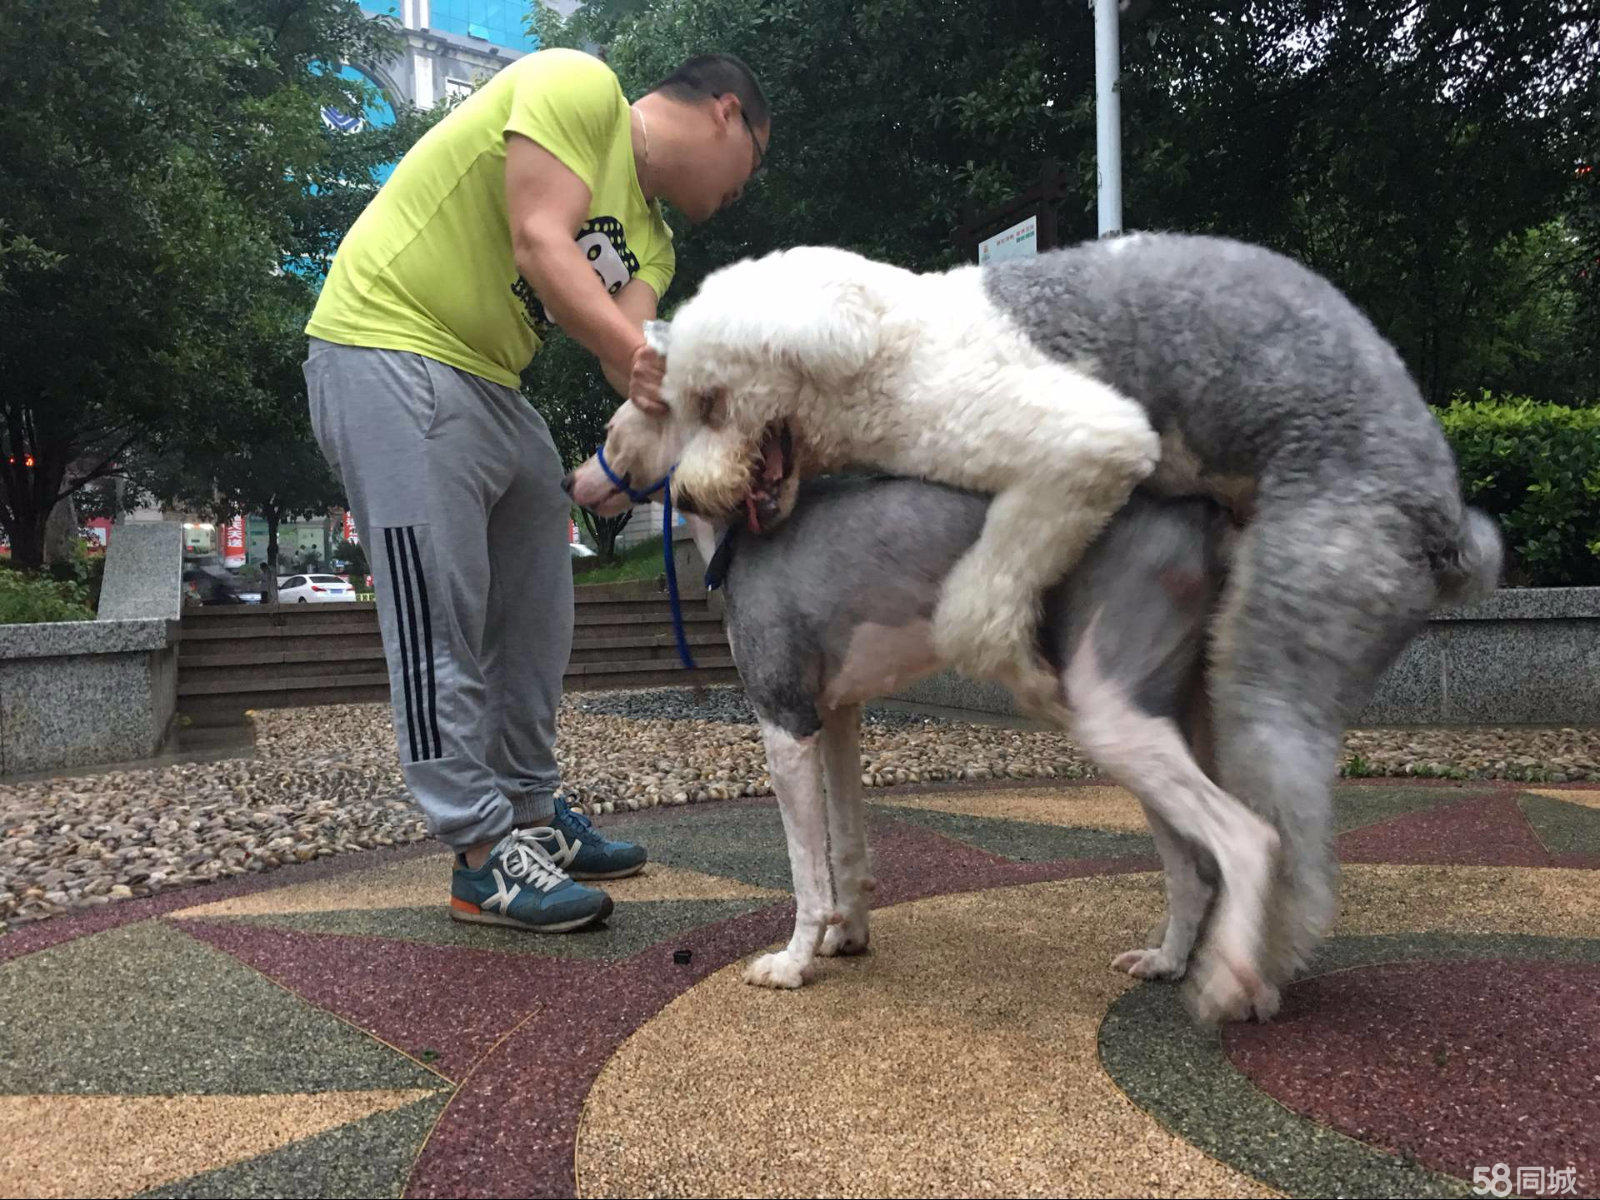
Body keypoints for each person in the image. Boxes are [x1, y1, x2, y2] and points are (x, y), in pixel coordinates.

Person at [303, 49, 770, 933]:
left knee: (537, 610)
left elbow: (622, 354)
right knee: (436, 614)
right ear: (726, 113)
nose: (739, 194)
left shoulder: (656, 241)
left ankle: (530, 810)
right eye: (751, 168)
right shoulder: (577, 86)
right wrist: (658, 368)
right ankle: (480, 859)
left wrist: (705, 405)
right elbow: (540, 240)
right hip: (386, 344)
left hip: (492, 383)